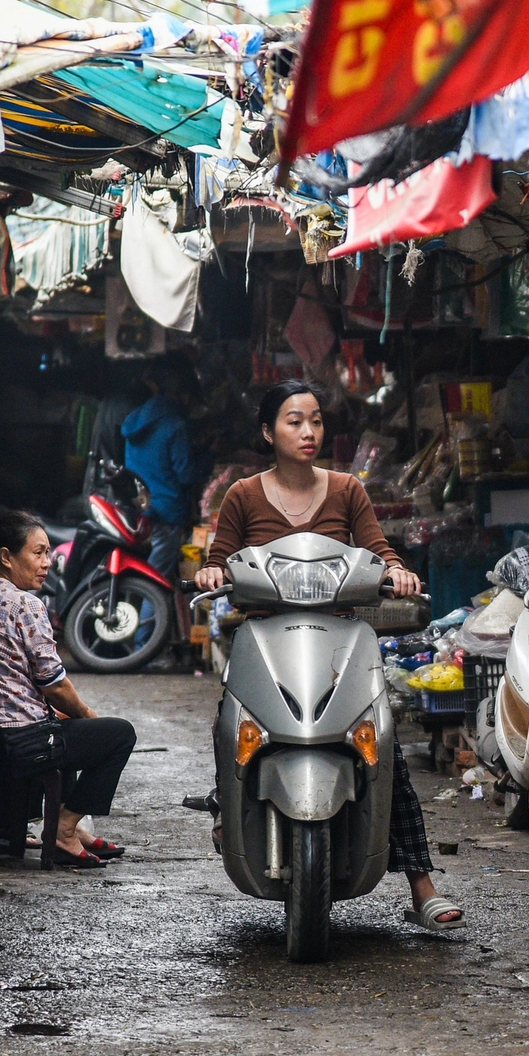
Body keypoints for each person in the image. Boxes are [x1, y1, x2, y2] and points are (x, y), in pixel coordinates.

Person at [197, 380, 463, 929]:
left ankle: (422, 887)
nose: (308, 431)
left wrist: (397, 570)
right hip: (267, 638)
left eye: (315, 420)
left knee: (379, 747)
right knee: (235, 724)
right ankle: (229, 802)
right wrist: (212, 570)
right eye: (294, 421)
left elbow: (377, 548)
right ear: (269, 431)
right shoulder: (244, 495)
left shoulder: (347, 490)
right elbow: (220, 557)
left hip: (341, 640)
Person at [0, 511, 138, 869]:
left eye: (48, 553)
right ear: (7, 557)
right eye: (38, 553)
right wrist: (85, 712)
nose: (47, 562)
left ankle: (68, 827)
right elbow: (54, 684)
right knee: (117, 734)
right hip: (16, 739)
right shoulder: (24, 604)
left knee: (64, 722)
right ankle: (64, 830)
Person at [123, 355, 204, 590]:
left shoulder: (136, 420)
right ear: (183, 395)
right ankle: (146, 628)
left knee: (142, 577)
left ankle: (143, 622)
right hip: (167, 512)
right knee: (155, 583)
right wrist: (206, 456)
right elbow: (186, 474)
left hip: (140, 510)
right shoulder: (175, 425)